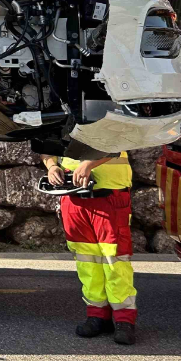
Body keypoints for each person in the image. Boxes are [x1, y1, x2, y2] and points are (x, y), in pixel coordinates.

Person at [42, 145, 136, 345]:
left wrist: (88, 165)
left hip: (109, 195)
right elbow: (44, 142)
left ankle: (124, 320)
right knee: (87, 263)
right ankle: (97, 315)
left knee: (115, 261)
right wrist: (51, 166)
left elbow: (118, 142)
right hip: (74, 197)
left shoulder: (108, 113)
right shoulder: (63, 116)